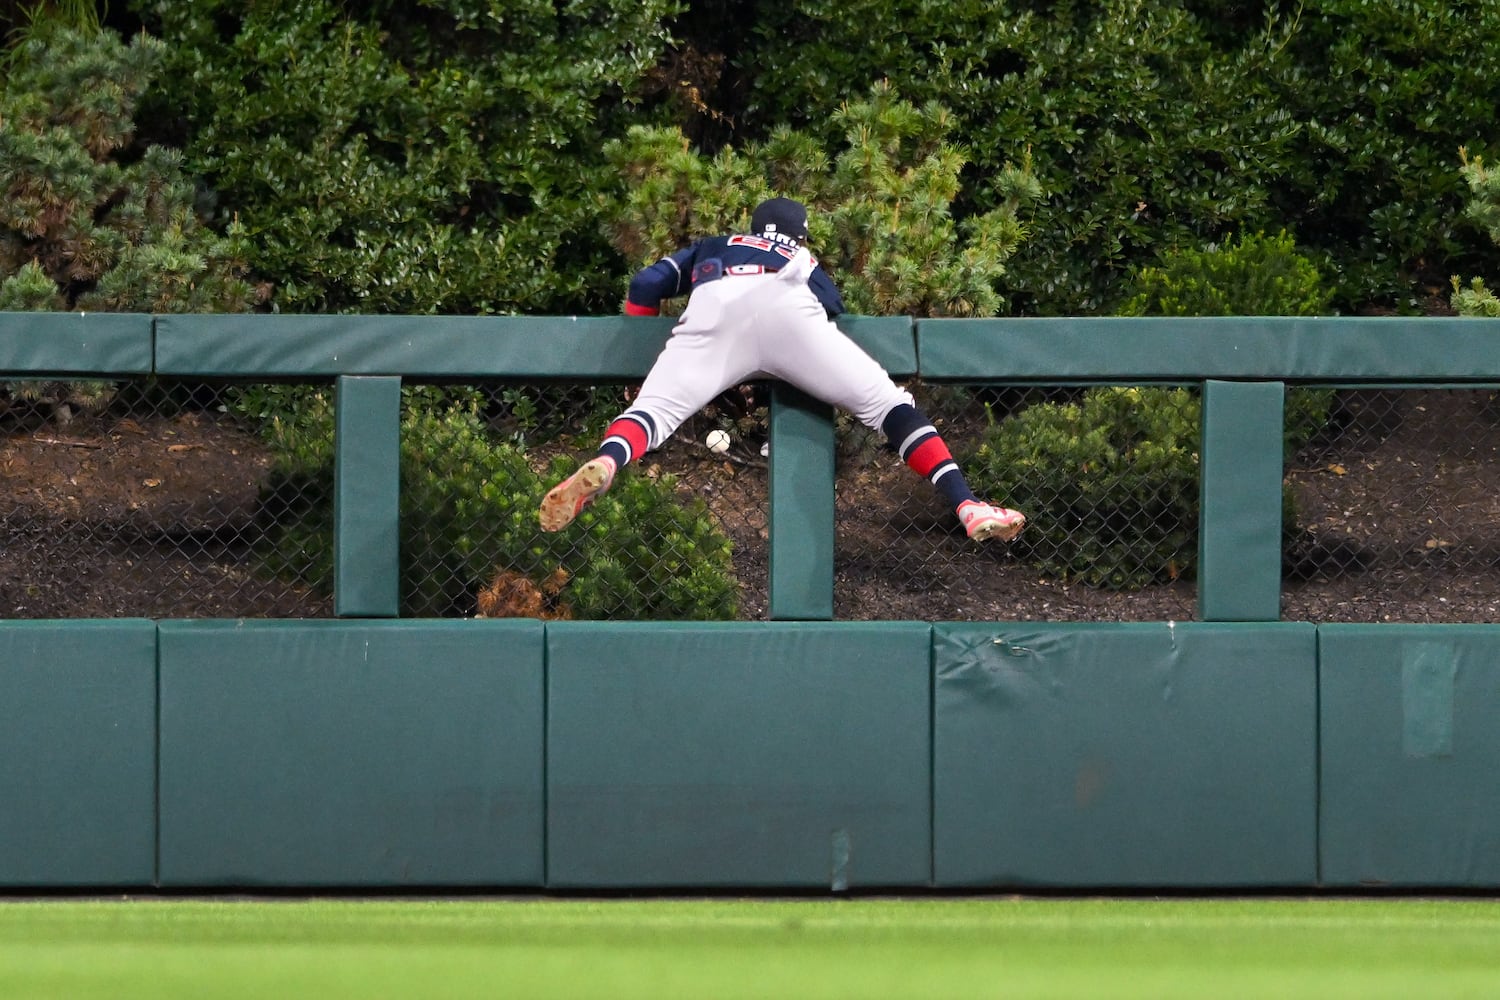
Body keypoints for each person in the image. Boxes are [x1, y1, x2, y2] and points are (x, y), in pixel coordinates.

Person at [538, 196, 1026, 542]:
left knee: (654, 413)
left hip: (716, 302)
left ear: (752, 227)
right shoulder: (799, 254)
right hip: (790, 293)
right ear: (801, 234)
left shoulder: (716, 243)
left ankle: (608, 461)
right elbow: (827, 313)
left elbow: (646, 283)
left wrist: (636, 369)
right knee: (888, 406)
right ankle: (966, 503)